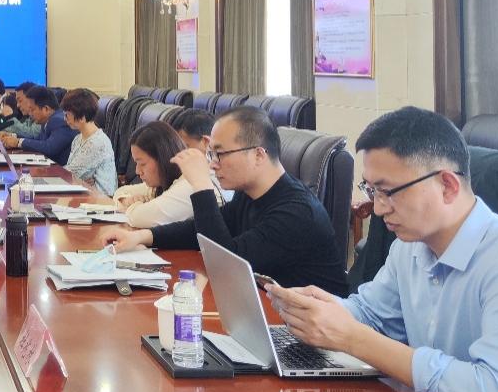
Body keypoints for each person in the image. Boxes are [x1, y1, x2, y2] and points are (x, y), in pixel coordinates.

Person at [267, 107, 498, 392]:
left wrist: (354, 338)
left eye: (388, 192)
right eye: (371, 190)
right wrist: (320, 309)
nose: (378, 209)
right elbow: (372, 314)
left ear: (447, 185)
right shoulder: (410, 247)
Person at [107, 106, 348, 295]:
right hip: (264, 309)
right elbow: (198, 230)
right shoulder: (249, 193)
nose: (213, 163)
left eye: (220, 154)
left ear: (258, 155)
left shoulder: (296, 212)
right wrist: (143, 236)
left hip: (310, 333)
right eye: (211, 154)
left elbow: (225, 264)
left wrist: (201, 185)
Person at [116, 121, 222, 227]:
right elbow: (121, 191)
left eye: (142, 164)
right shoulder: (168, 180)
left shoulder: (191, 184)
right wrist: (125, 200)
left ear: (162, 159)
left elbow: (139, 218)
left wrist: (135, 204)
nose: (137, 171)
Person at [0, 84, 77, 166]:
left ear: (46, 109)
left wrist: (18, 142)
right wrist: (13, 136)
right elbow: (37, 139)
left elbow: (49, 148)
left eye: (32, 110)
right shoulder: (47, 120)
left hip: (62, 170)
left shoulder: (59, 120)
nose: (30, 113)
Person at [59, 88, 116, 196]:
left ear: (82, 117)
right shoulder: (78, 138)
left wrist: (76, 179)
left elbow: (68, 174)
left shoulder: (97, 143)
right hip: (83, 194)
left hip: (100, 200)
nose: (65, 119)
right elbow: (72, 174)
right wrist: (78, 180)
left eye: (67, 115)